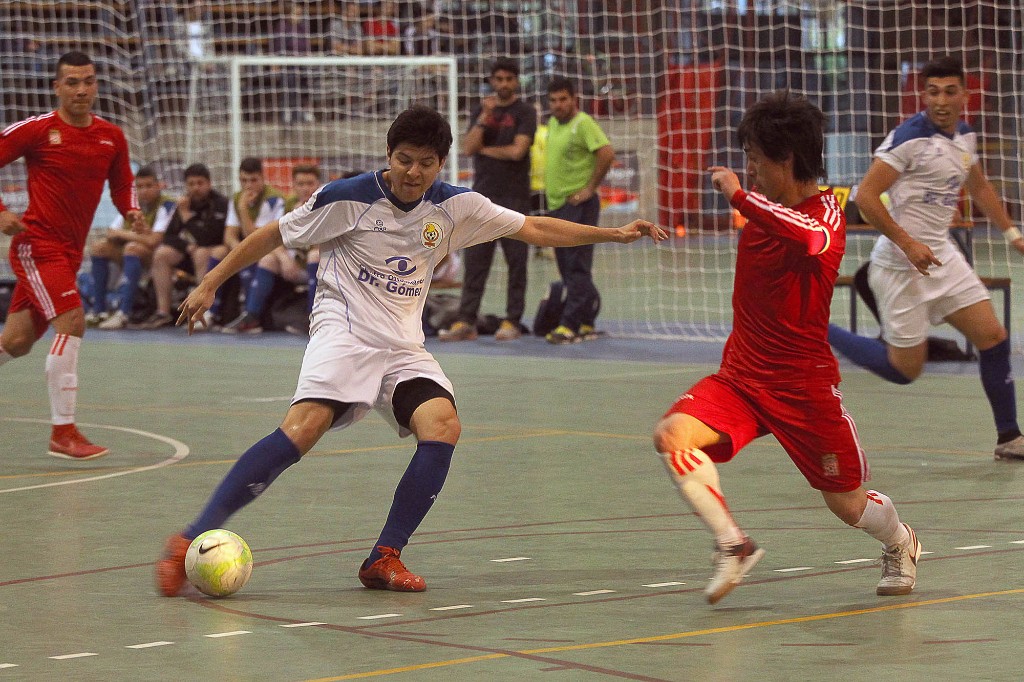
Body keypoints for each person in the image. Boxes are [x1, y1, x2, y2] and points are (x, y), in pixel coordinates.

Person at [155, 104, 666, 597]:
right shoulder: (348, 197)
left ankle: (384, 556)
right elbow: (272, 234)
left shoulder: (457, 206)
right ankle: (187, 539)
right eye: (404, 159)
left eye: (425, 162)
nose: (413, 172)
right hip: (344, 332)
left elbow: (534, 227)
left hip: (401, 345)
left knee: (442, 424)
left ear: (441, 163)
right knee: (303, 429)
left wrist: (614, 233)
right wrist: (211, 283)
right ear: (388, 154)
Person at [652, 91, 921, 605]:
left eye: (755, 158)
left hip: (804, 390)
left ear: (787, 160)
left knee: (847, 505)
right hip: (740, 379)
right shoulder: (765, 210)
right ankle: (734, 545)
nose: (748, 169)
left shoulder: (825, 216)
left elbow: (810, 238)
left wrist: (738, 196)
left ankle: (901, 540)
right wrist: (749, 202)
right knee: (672, 436)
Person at [827, 56, 1024, 462]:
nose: (941, 100)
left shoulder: (965, 137)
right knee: (905, 370)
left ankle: (1009, 437)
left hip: (942, 258)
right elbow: (865, 197)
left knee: (993, 338)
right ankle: (818, 329)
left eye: (950, 91)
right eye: (933, 92)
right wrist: (907, 243)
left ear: (965, 95)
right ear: (923, 95)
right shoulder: (909, 138)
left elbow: (981, 188)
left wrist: (1012, 234)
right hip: (900, 264)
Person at [0, 51, 143, 460]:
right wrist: (2, 214)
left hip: (68, 252)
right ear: (57, 87)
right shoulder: (38, 130)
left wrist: (130, 209)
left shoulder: (110, 136)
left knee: (18, 341)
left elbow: (122, 183)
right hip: (36, 246)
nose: (82, 90)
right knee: (73, 320)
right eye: (72, 82)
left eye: (89, 81)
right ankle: (63, 433)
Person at [439, 57, 536, 343]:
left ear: (516, 81)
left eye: (508, 79)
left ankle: (512, 320)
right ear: (492, 81)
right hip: (482, 198)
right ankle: (466, 320)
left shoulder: (525, 112)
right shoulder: (482, 111)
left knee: (516, 262)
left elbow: (518, 151)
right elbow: (469, 147)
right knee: (476, 262)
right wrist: (484, 118)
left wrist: (487, 150)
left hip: (515, 197)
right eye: (498, 79)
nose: (503, 84)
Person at [543, 76, 615, 344]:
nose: (558, 105)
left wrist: (589, 188)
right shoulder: (552, 123)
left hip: (579, 205)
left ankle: (569, 324)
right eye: (553, 100)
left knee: (576, 266)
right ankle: (585, 320)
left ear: (574, 99)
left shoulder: (583, 123)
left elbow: (606, 153)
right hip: (558, 205)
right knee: (567, 265)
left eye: (563, 99)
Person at [228, 163, 322, 334]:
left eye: (310, 183)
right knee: (269, 259)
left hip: (322, 266)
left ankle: (312, 318)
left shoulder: (325, 204)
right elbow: (274, 237)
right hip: (297, 264)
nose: (306, 188)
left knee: (314, 255)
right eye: (300, 184)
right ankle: (252, 317)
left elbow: (323, 244)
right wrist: (285, 259)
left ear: (318, 185)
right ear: (293, 186)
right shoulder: (289, 204)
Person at [139, 163, 229, 329]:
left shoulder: (220, 203)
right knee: (162, 254)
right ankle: (163, 312)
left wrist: (187, 217)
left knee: (202, 252)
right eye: (191, 184)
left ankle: (204, 312)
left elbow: (211, 237)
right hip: (189, 253)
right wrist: (187, 245)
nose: (195, 188)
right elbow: (169, 236)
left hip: (213, 254)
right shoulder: (183, 204)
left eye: (200, 183)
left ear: (209, 183)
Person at [90, 166, 177, 330]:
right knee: (99, 247)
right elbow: (111, 232)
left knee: (133, 247)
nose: (144, 191)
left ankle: (124, 313)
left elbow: (154, 241)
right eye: (140, 186)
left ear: (159, 186)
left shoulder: (167, 205)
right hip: (132, 255)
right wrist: (131, 235)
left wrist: (126, 235)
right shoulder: (132, 205)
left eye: (149, 186)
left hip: (158, 258)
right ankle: (98, 311)